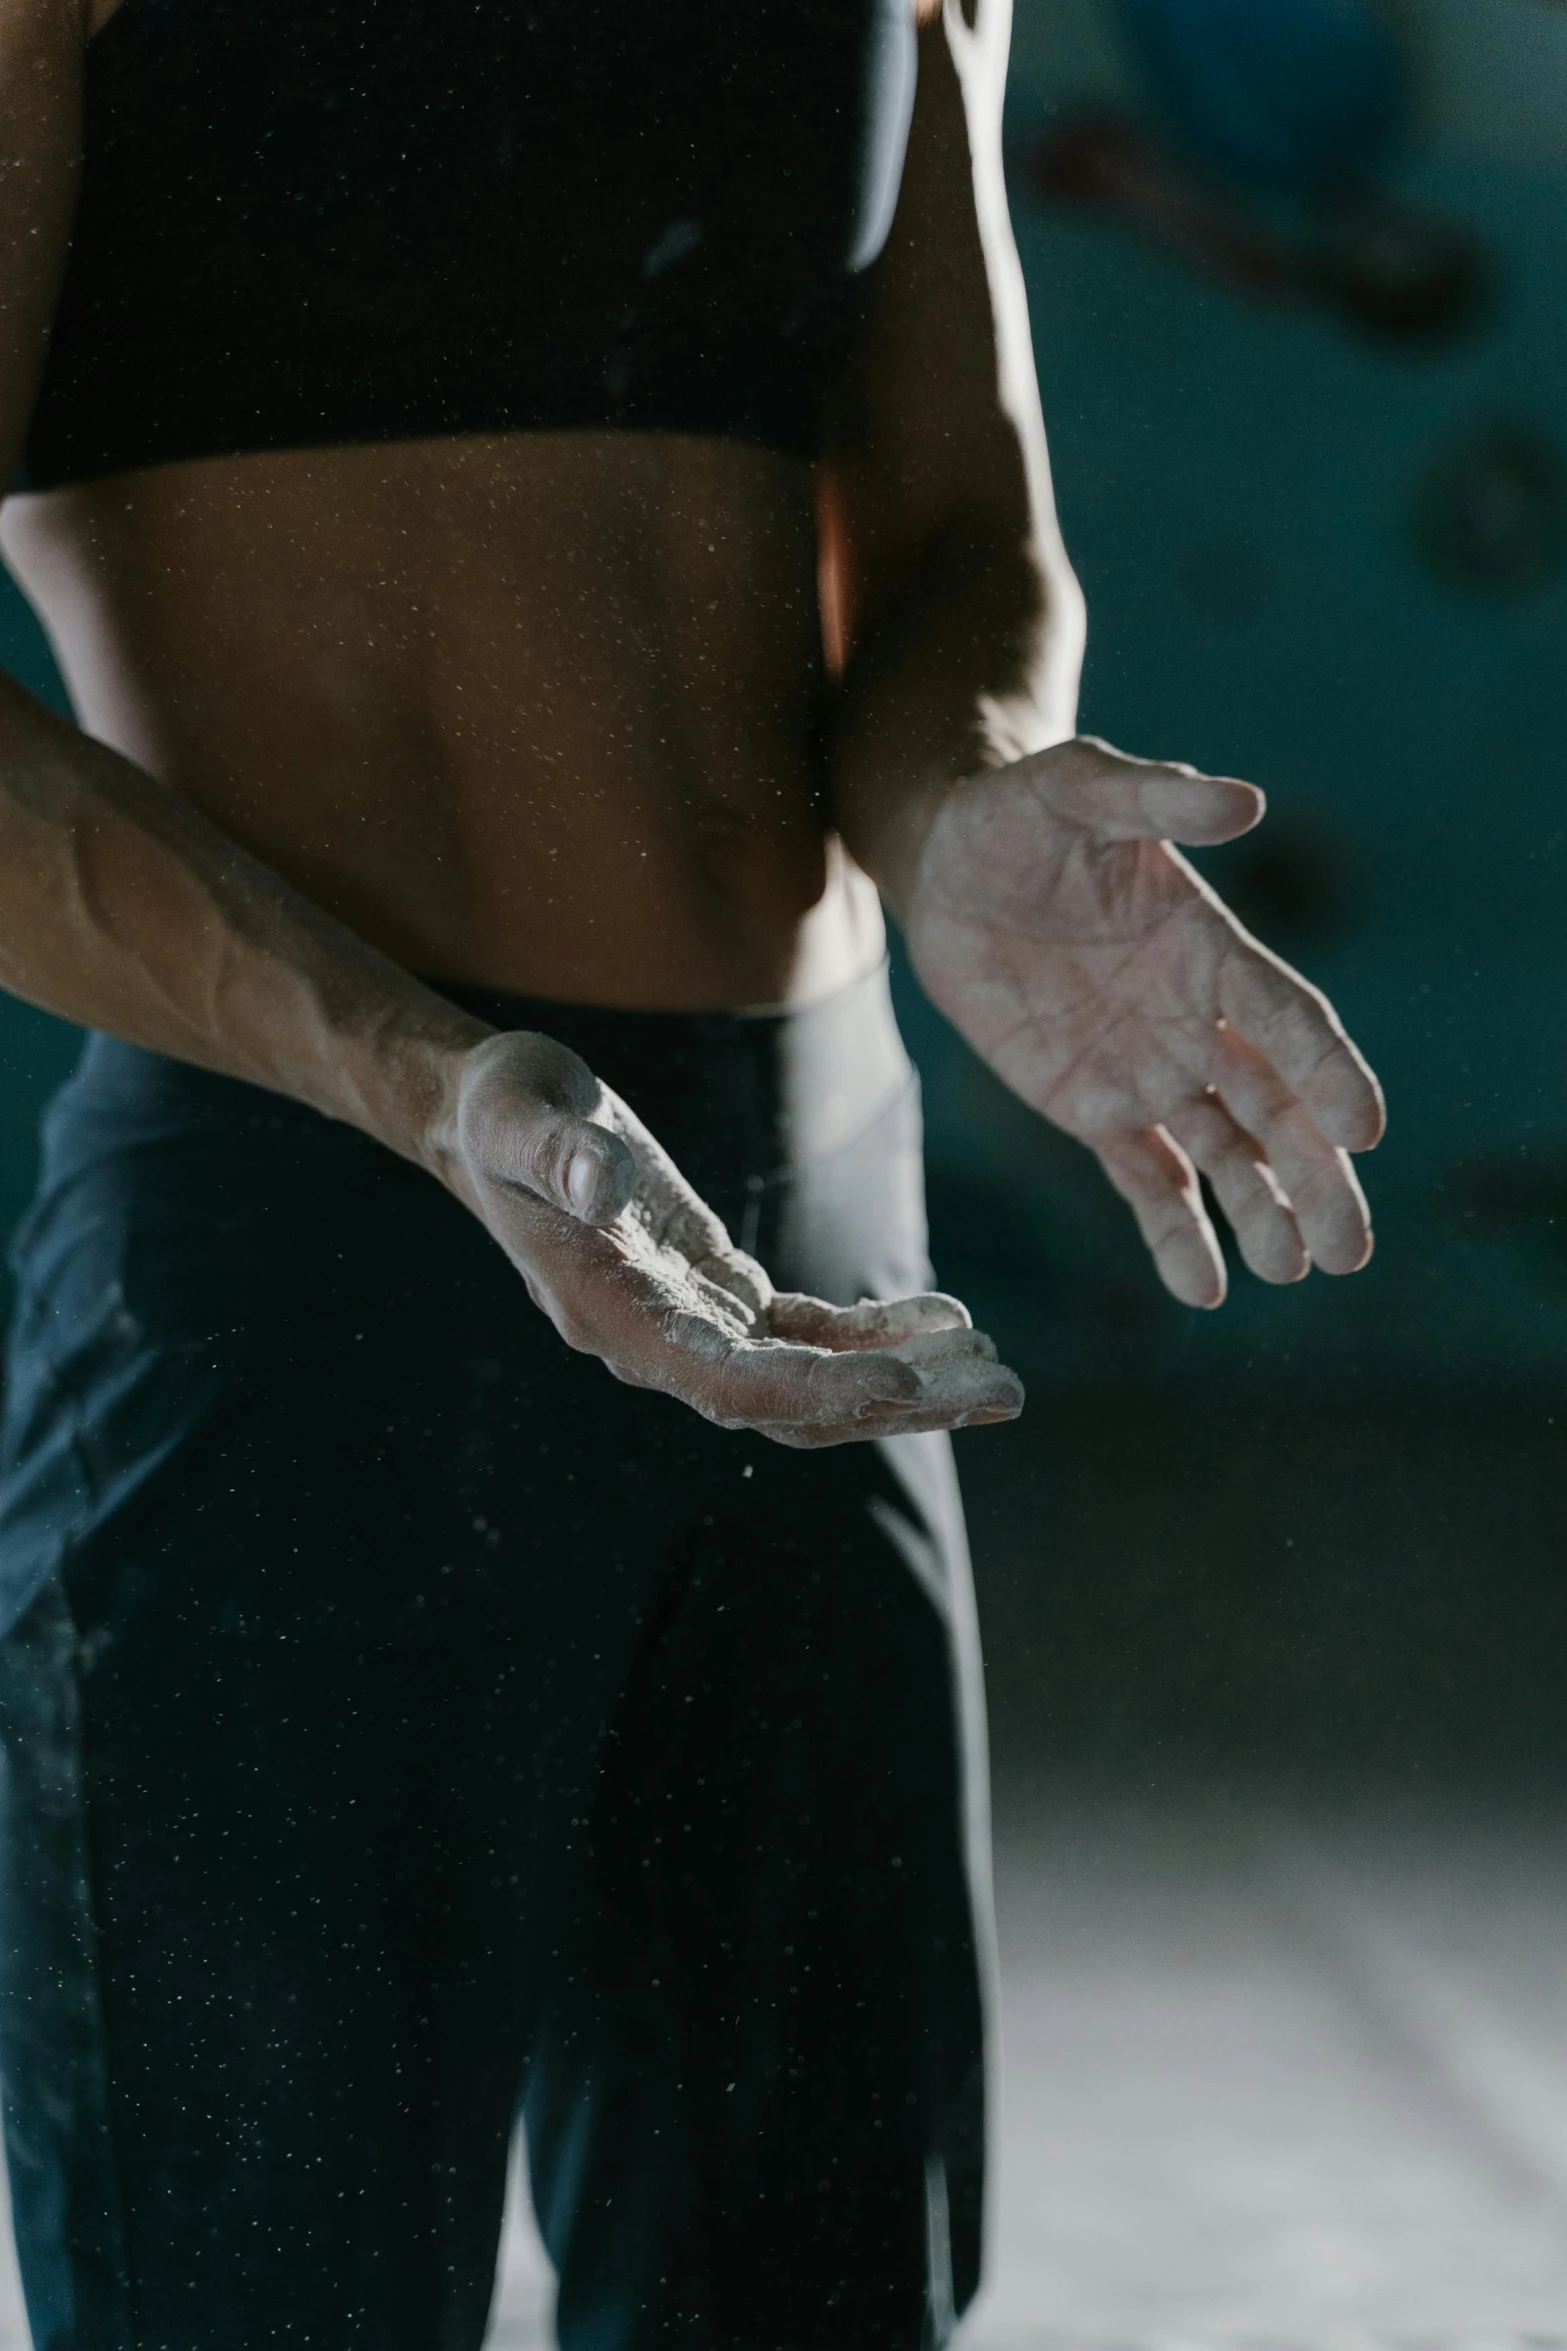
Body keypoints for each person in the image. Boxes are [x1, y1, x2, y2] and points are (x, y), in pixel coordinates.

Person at [0, 0, 1384, 2343]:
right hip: (310, 1228)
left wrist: (957, 811)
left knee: (818, 2290)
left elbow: (961, 535)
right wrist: (430, 1079)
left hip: (817, 1231)